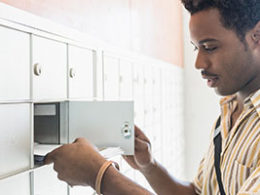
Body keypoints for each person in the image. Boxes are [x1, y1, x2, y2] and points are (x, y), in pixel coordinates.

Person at [45, 0, 260, 194]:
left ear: (256, 36)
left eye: (210, 47)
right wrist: (149, 166)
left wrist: (99, 175)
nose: (198, 64)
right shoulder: (230, 113)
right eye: (196, 48)